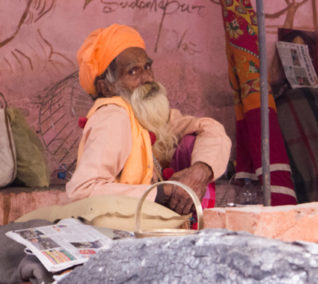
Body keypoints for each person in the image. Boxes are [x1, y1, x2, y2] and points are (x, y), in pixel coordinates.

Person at [66, 24, 232, 215]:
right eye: (133, 72)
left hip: (145, 226)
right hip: (117, 231)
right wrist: (163, 191)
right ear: (106, 88)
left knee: (192, 141)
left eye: (147, 67)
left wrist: (200, 171)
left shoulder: (146, 112)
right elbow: (82, 191)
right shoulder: (113, 116)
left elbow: (211, 129)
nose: (147, 78)